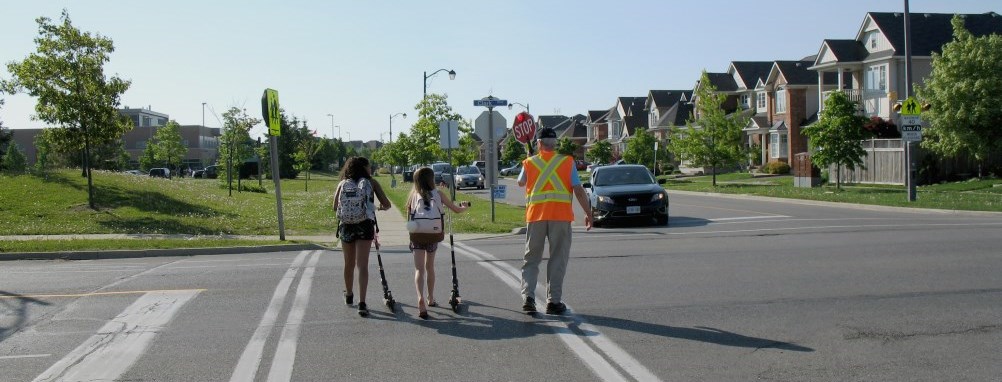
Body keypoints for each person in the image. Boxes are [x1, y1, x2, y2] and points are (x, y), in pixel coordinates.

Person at [517, 127, 592, 315]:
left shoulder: (529, 163)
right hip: (560, 217)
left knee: (531, 259)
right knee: (558, 259)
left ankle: (528, 298)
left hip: (535, 216)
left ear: (539, 143)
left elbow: (520, 182)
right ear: (555, 143)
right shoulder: (567, 162)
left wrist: (530, 158)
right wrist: (589, 213)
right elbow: (579, 190)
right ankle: (553, 301)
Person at [406, 167, 469, 319]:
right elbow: (455, 209)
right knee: (430, 267)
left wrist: (411, 237)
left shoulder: (413, 197)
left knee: (419, 269)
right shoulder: (439, 194)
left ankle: (420, 298)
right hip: (433, 234)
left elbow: (409, 220)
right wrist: (464, 207)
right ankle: (430, 298)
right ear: (431, 179)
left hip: (417, 235)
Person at [333, 156, 391, 317]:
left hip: (346, 226)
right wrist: (376, 208)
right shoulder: (371, 183)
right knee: (362, 265)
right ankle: (362, 303)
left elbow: (334, 206)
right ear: (364, 168)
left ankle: (349, 294)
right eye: (369, 166)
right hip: (365, 225)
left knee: (348, 263)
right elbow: (387, 204)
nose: (371, 169)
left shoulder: (343, 183)